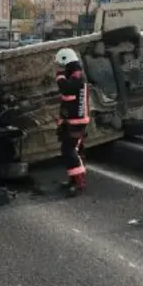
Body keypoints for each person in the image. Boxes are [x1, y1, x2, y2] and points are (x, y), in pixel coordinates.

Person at [54, 47, 89, 196]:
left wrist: (60, 77)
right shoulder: (75, 74)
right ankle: (74, 180)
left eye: (61, 66)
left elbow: (67, 90)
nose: (60, 69)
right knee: (71, 150)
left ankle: (79, 181)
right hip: (73, 121)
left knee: (69, 150)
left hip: (77, 121)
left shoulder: (77, 76)